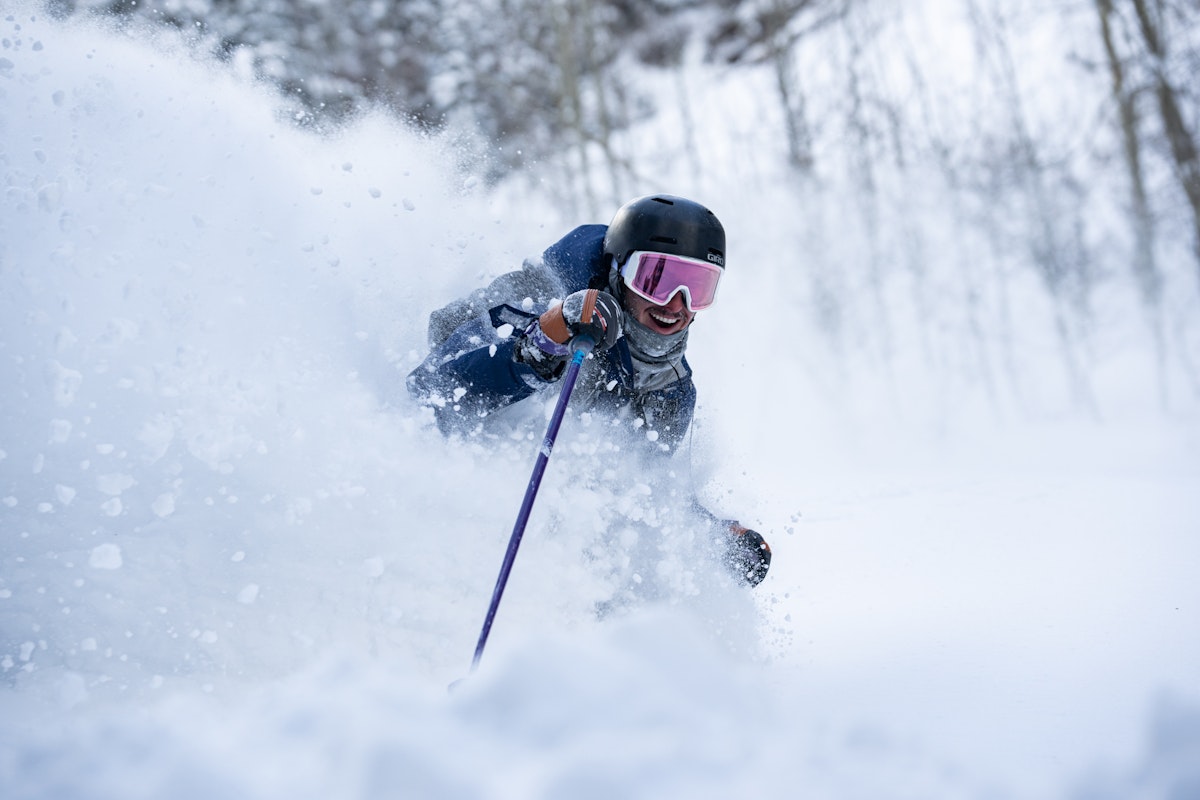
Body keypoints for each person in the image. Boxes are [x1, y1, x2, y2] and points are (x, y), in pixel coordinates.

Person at [407, 194, 771, 586]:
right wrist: (541, 345)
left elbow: (647, 490)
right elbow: (429, 392)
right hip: (451, 515)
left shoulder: (672, 390)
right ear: (618, 270)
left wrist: (712, 538)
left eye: (697, 288)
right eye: (656, 279)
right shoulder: (538, 300)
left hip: (558, 565)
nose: (675, 304)